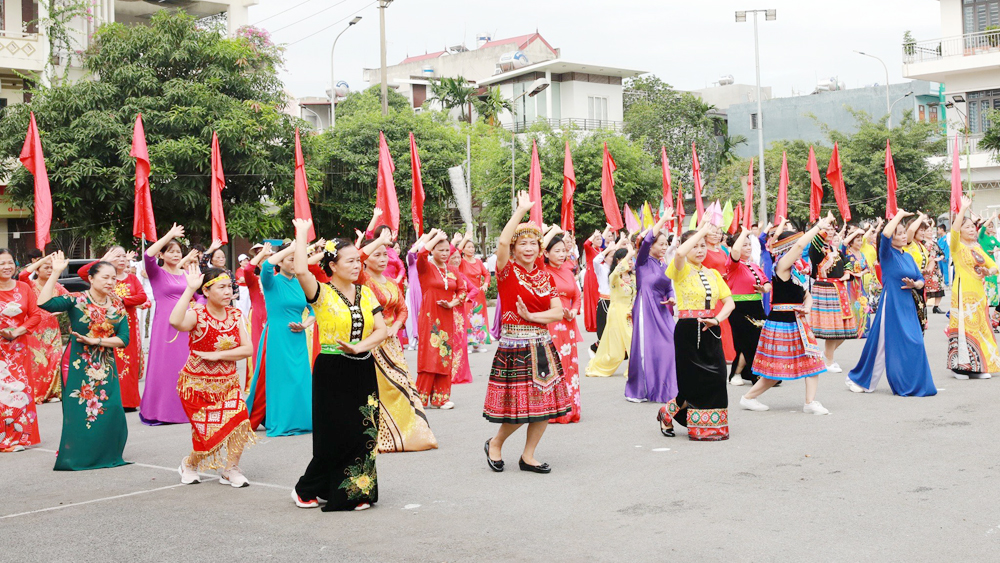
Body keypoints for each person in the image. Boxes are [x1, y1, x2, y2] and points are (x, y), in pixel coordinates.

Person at [290, 219, 388, 512]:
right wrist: (302, 233)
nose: (358, 265)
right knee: (334, 434)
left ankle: (358, 492)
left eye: (359, 261)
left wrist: (360, 347)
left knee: (364, 432)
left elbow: (382, 331)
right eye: (350, 261)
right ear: (333, 265)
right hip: (331, 369)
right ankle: (306, 488)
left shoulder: (366, 293)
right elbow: (299, 269)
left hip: (363, 367)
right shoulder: (320, 292)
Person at [484, 191, 571, 474]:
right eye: (523, 243)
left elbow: (557, 312)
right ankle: (496, 443)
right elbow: (500, 241)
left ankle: (528, 455)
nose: (529, 248)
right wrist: (521, 210)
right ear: (514, 247)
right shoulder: (506, 270)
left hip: (542, 345)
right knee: (519, 408)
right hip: (515, 345)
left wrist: (533, 316)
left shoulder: (545, 275)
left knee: (544, 406)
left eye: (534, 243)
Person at [39, 254, 130, 469]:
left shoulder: (117, 304)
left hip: (105, 365)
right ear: (91, 278)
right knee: (80, 410)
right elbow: (43, 303)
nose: (110, 282)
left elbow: (123, 339)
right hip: (77, 363)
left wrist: (96, 340)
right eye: (105, 277)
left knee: (111, 408)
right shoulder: (77, 299)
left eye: (114, 278)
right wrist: (55, 273)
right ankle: (78, 455)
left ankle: (104, 454)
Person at [170, 264, 255, 486]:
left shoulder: (236, 315)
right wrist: (189, 290)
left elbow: (248, 350)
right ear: (206, 291)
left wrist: (218, 356)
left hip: (228, 383)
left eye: (230, 287)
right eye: (221, 287)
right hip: (196, 385)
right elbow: (175, 322)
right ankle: (189, 464)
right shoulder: (197, 314)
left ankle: (231, 469)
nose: (228, 292)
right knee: (207, 434)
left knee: (240, 421)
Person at [739, 218, 831, 414]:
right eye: (794, 247)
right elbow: (799, 246)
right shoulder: (781, 266)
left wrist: (807, 307)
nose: (798, 251)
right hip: (781, 324)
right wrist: (817, 227)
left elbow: (807, 296)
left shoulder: (796, 273)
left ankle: (810, 402)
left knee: (813, 361)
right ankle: (748, 398)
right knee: (774, 371)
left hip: (799, 322)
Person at [656, 220, 735, 441]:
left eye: (703, 246)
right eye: (695, 245)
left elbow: (729, 303)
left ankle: (706, 424)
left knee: (718, 377)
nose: (699, 250)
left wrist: (717, 320)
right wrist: (703, 230)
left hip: (711, 328)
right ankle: (689, 423)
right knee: (692, 382)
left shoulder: (713, 274)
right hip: (688, 330)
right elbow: (680, 252)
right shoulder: (680, 269)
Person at [359, 230, 438, 451]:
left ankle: (407, 433)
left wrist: (394, 326)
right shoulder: (362, 280)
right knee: (376, 389)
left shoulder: (392, 282)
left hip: (392, 344)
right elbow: (357, 255)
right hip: (370, 342)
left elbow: (402, 309)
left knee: (401, 385)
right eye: (377, 255)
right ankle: (379, 436)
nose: (383, 259)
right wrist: (377, 240)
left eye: (385, 254)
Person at [845, 210, 936, 396]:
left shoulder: (908, 256)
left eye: (904, 233)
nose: (903, 236)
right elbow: (885, 234)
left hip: (908, 305)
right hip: (891, 304)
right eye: (900, 233)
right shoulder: (886, 254)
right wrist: (899, 215)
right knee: (880, 346)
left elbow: (920, 279)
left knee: (916, 342)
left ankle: (915, 383)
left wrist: (915, 284)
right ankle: (861, 380)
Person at [245, 243, 314, 437]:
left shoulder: (301, 283)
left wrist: (305, 324)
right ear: (281, 261)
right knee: (280, 379)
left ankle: (302, 419)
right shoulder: (271, 282)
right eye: (291, 260)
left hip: (297, 336)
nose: (295, 263)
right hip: (277, 335)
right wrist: (291, 248)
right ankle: (281, 420)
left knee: (299, 379)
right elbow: (266, 266)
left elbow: (314, 308)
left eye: (297, 259)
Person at [141, 224, 200, 425]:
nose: (176, 255)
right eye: (171, 251)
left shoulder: (186, 275)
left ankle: (187, 407)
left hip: (187, 323)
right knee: (165, 366)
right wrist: (169, 235)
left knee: (186, 364)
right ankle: (163, 410)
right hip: (165, 324)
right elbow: (147, 256)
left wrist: (196, 311)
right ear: (163, 254)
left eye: (179, 252)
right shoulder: (156, 273)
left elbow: (201, 296)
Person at [79, 246, 148, 411]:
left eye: (124, 256)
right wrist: (103, 260)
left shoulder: (131, 278)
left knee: (128, 363)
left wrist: (122, 300)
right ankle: (107, 400)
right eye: (117, 256)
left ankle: (129, 401)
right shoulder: (101, 277)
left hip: (128, 325)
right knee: (107, 362)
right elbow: (83, 272)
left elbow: (142, 296)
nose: (122, 259)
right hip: (104, 326)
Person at [626, 213, 677, 402]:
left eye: (666, 244)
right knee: (646, 349)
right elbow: (646, 239)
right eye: (661, 244)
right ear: (652, 246)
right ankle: (641, 388)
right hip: (645, 308)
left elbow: (669, 288)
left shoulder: (665, 265)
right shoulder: (642, 261)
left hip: (662, 309)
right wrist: (662, 221)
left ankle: (665, 387)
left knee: (671, 345)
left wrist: (671, 298)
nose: (664, 248)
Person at [414, 229, 468, 409]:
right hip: (429, 317)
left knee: (445, 355)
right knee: (429, 356)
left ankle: (441, 398)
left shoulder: (453, 270)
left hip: (446, 316)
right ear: (433, 251)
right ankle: (420, 398)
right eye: (440, 250)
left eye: (447, 250)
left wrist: (452, 303)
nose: (445, 254)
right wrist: (435, 237)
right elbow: (420, 253)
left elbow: (462, 290)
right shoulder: (426, 268)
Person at [947, 197, 1000, 378]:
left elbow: (994, 266)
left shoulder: (977, 248)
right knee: (963, 328)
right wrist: (963, 209)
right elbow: (953, 230)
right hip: (962, 293)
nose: (972, 230)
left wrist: (988, 270)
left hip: (978, 294)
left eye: (973, 227)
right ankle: (959, 367)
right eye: (967, 227)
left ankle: (978, 366)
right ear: (960, 230)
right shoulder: (956, 246)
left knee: (980, 328)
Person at [0, 248, 43, 452]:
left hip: (18, 347)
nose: (7, 267)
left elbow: (35, 315)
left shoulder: (23, 288)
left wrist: (19, 330)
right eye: (1, 263)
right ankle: (4, 440)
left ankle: (19, 436)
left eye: (9, 262)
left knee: (20, 391)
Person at [543, 229, 583, 423]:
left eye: (563, 251)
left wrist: (574, 311)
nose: (561, 254)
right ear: (546, 253)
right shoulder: (541, 271)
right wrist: (552, 231)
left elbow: (577, 296)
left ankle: (570, 408)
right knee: (552, 365)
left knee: (570, 366)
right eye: (556, 251)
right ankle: (552, 409)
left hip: (568, 325)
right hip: (550, 324)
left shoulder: (568, 271)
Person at [809, 219, 858, 372]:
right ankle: (829, 361)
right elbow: (816, 241)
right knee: (832, 331)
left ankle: (826, 354)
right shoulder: (816, 250)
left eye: (831, 230)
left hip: (839, 289)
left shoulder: (835, 250)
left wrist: (847, 273)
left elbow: (848, 261)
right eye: (826, 230)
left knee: (844, 331)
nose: (830, 232)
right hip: (826, 289)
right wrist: (823, 226)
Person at [726, 226, 771, 386]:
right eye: (744, 244)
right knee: (748, 342)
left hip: (756, 306)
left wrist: (764, 288)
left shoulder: (754, 265)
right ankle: (737, 374)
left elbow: (767, 282)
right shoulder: (733, 264)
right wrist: (744, 233)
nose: (748, 247)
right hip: (740, 307)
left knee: (760, 341)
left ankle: (756, 373)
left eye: (749, 244)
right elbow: (735, 253)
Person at [21, 253, 67, 404]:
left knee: (54, 360)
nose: (49, 270)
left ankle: (52, 393)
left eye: (51, 268)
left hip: (52, 329)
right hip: (34, 331)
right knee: (38, 363)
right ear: (38, 270)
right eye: (45, 268)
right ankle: (38, 393)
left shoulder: (57, 286)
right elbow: (22, 274)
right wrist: (42, 260)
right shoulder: (30, 285)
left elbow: (71, 300)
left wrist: (60, 310)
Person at [585, 241, 635, 378]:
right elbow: (614, 273)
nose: (630, 262)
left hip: (629, 313)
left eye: (631, 259)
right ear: (619, 261)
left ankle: (633, 369)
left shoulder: (634, 278)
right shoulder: (614, 277)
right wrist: (628, 253)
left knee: (632, 340)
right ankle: (598, 365)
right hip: (615, 312)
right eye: (627, 260)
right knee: (615, 350)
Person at [702, 223, 737, 363]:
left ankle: (730, 353)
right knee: (719, 322)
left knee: (727, 321)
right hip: (711, 290)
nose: (717, 235)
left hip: (725, 289)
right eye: (713, 232)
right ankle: (721, 353)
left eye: (719, 232)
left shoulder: (722, 250)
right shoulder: (703, 251)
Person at [458, 237, 492, 352]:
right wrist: (464, 239)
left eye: (472, 247)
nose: (471, 249)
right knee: (468, 317)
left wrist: (486, 284)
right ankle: (467, 343)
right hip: (467, 295)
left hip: (479, 295)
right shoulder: (461, 262)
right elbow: (455, 252)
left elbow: (486, 274)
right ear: (463, 249)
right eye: (468, 247)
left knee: (479, 318)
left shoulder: (478, 261)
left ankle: (478, 344)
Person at [241, 243, 270, 368]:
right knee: (258, 348)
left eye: (268, 260)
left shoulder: (277, 279)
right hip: (258, 317)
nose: (265, 262)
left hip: (274, 317)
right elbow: (247, 269)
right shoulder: (253, 280)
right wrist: (263, 253)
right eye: (262, 260)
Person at [842, 227, 873, 338]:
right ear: (852, 242)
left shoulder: (862, 254)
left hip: (859, 284)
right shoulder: (847, 252)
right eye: (858, 240)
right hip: (850, 284)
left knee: (865, 306)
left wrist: (861, 273)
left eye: (861, 240)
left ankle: (864, 331)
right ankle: (852, 331)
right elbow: (844, 242)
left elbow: (868, 268)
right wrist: (856, 232)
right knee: (852, 306)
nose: (860, 243)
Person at [903, 214, 932, 332]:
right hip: (910, 283)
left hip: (919, 283)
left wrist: (928, 268)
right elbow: (910, 230)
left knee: (921, 316)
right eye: (921, 230)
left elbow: (931, 260)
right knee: (912, 316)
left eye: (924, 230)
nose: (923, 233)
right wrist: (921, 217)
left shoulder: (921, 246)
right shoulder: (908, 243)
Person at [591, 227, 617, 353]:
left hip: (615, 302)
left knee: (614, 331)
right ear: (605, 258)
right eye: (611, 256)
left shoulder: (617, 270)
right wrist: (608, 249)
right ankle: (595, 348)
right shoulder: (601, 269)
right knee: (602, 331)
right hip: (604, 302)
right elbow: (595, 260)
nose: (613, 259)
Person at [923, 225, 946, 315]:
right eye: (928, 231)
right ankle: (923, 306)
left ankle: (936, 306)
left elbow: (942, 254)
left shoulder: (934, 243)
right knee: (926, 288)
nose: (930, 232)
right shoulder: (922, 243)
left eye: (931, 231)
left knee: (939, 287)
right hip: (926, 267)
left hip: (935, 269)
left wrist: (938, 259)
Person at [582, 231, 602, 333]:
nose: (599, 240)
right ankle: (593, 323)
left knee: (599, 298)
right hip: (591, 277)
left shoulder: (601, 250)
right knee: (593, 298)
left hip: (599, 277)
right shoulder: (590, 249)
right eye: (597, 239)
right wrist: (594, 234)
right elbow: (585, 243)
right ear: (593, 241)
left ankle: (599, 321)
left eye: (600, 238)